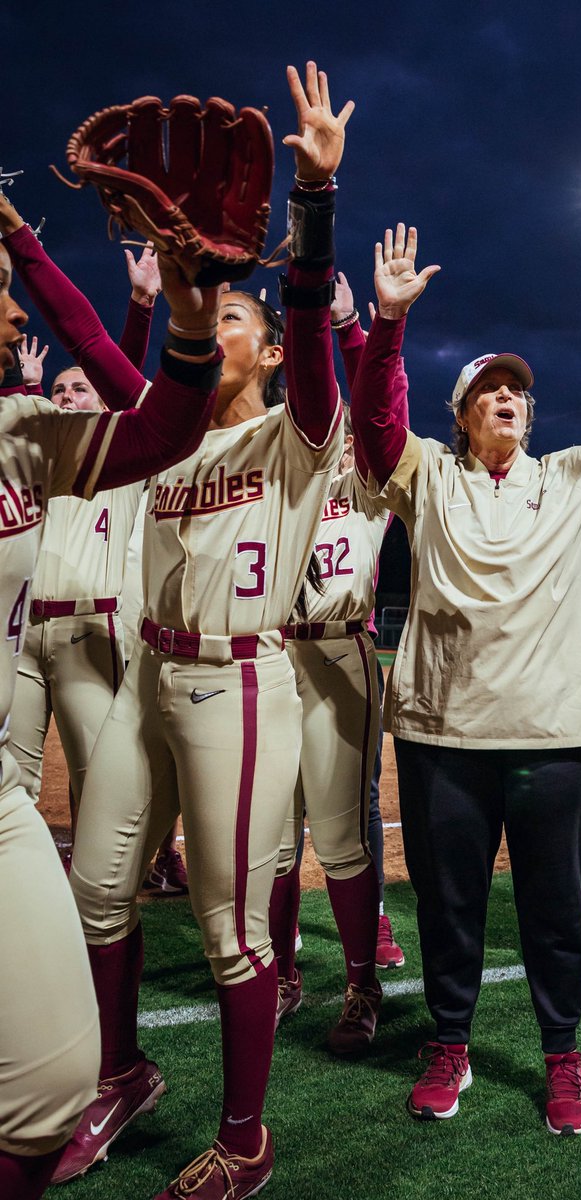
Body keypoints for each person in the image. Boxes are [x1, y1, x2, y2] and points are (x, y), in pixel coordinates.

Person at [47, 63, 351, 1199]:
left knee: (233, 935)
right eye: (213, 313)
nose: (217, 323)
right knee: (99, 890)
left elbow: (315, 329)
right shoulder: (166, 430)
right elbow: (93, 343)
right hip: (145, 678)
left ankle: (247, 1137)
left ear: (267, 352)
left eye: (234, 315)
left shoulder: (292, 431)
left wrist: (314, 207)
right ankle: (122, 1071)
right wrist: (43, 244)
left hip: (239, 686)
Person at [351, 230, 581, 1134]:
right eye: (487, 392)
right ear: (462, 414)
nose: (507, 398)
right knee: (449, 905)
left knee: (555, 912)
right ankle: (450, 1042)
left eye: (517, 392)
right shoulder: (428, 473)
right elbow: (377, 425)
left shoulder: (576, 477)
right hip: (444, 737)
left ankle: (562, 1056)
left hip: (558, 736)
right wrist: (388, 324)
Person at [0, 188, 222, 1199]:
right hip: (30, 644)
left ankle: (116, 1060)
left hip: (94, 638)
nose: (15, 321)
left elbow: (156, 415)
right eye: (0, 296)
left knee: (45, 1091)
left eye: (15, 299)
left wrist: (176, 314)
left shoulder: (25, 435)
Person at [271, 283, 411, 1048]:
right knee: (277, 837)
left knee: (342, 834)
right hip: (270, 650)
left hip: (338, 648)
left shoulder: (367, 467)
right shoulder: (279, 459)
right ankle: (286, 969)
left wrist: (352, 324)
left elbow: (379, 406)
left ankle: (362, 985)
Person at [5, 248, 158, 857]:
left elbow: (124, 384)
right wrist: (30, 386)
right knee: (8, 777)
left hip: (87, 633)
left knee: (101, 778)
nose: (67, 397)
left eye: (80, 388)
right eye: (60, 390)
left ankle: (100, 900)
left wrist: (141, 307)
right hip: (17, 642)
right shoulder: (36, 455)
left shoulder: (112, 457)